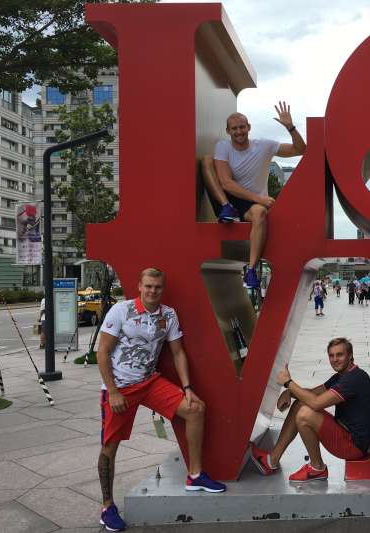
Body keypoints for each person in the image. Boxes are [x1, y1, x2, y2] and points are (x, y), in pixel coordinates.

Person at [96, 268, 225, 532]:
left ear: (162, 289)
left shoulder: (168, 315)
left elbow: (178, 353)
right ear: (139, 286)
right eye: (148, 286)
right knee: (110, 445)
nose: (152, 291)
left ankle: (195, 475)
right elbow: (103, 353)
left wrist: (187, 387)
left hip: (149, 382)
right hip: (121, 387)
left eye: (157, 287)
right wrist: (113, 391)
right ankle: (107, 507)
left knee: (195, 408)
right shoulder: (121, 310)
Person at [201, 102, 306, 290]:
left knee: (260, 213)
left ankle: (251, 270)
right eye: (234, 128)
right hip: (226, 198)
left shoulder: (263, 146)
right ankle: (226, 208)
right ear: (228, 131)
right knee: (207, 161)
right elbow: (226, 183)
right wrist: (260, 199)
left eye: (242, 127)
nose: (238, 132)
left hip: (249, 205)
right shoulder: (223, 146)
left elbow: (300, 149)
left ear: (248, 127)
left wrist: (290, 127)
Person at [250, 337, 370, 481]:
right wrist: (290, 392)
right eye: (331, 355)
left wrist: (288, 383)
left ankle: (317, 468)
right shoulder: (342, 376)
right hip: (345, 434)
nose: (335, 359)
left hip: (353, 446)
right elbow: (313, 393)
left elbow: (316, 403)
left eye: (340, 355)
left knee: (305, 414)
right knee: (300, 404)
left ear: (350, 356)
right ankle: (271, 460)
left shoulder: (353, 379)